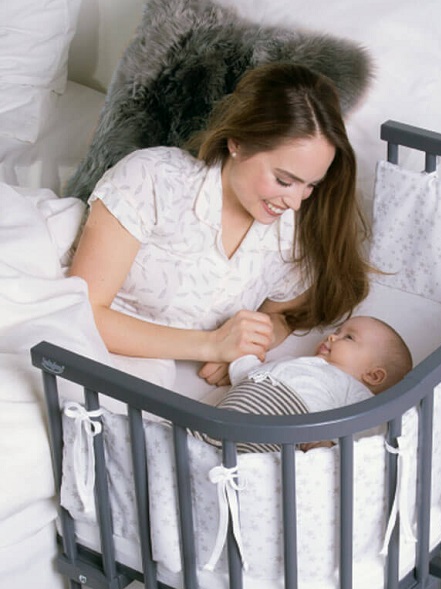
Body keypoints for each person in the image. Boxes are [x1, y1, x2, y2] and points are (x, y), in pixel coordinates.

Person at [67, 62, 370, 387]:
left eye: (311, 185)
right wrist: (214, 344)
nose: (296, 202)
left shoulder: (290, 233)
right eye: (284, 180)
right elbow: (82, 312)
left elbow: (283, 315)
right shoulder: (152, 180)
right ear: (237, 142)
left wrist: (252, 343)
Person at [202, 315, 413, 453]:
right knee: (187, 440)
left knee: (249, 464)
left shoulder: (355, 391)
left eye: (348, 337)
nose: (332, 336)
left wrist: (325, 445)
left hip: (273, 436)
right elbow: (247, 374)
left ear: (373, 376)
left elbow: (362, 433)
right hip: (219, 421)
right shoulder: (292, 361)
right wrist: (240, 353)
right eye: (337, 331)